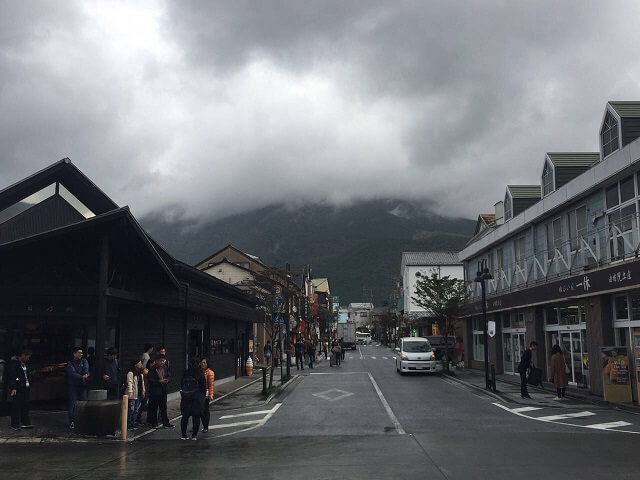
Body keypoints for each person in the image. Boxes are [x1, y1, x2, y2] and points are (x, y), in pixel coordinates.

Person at [180, 360, 206, 440]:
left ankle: (184, 435)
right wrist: (203, 396)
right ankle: (194, 435)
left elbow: (181, 384)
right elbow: (203, 387)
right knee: (196, 416)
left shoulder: (186, 373)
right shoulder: (200, 373)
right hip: (197, 397)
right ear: (198, 364)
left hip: (186, 397)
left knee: (185, 416)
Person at [66, 346, 90, 428]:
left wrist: (85, 374)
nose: (81, 354)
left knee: (83, 403)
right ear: (74, 353)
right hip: (74, 386)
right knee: (73, 404)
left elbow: (86, 370)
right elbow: (72, 374)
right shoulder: (70, 363)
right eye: (79, 352)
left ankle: (82, 421)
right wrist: (82, 376)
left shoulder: (84, 361)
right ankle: (72, 421)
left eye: (81, 353)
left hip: (83, 385)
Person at [147, 354, 174, 429]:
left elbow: (169, 376)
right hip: (155, 391)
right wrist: (159, 381)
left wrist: (167, 380)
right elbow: (150, 379)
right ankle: (154, 423)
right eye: (160, 361)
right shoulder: (152, 369)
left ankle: (166, 422)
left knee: (163, 407)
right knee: (154, 407)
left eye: (163, 361)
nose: (162, 362)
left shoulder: (165, 368)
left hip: (163, 390)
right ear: (156, 361)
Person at [9, 349, 33, 430]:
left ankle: (25, 422)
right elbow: (13, 376)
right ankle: (14, 423)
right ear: (23, 355)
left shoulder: (24, 364)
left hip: (25, 387)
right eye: (27, 357)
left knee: (25, 405)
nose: (28, 359)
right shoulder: (14, 364)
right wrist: (13, 387)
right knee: (16, 406)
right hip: (19, 388)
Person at [126, 359, 145, 430]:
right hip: (133, 393)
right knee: (131, 409)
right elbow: (129, 383)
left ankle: (133, 423)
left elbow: (142, 383)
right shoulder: (131, 373)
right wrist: (130, 392)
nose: (141, 364)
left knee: (136, 409)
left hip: (138, 393)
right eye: (139, 363)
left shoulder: (140, 373)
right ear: (135, 365)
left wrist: (143, 391)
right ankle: (129, 424)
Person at [200, 357, 215, 432]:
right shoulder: (199, 371)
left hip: (206, 393)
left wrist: (210, 395)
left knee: (205, 410)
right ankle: (203, 425)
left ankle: (206, 426)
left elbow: (211, 385)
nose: (203, 364)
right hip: (199, 393)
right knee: (200, 410)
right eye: (202, 362)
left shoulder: (210, 373)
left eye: (204, 363)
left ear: (207, 364)